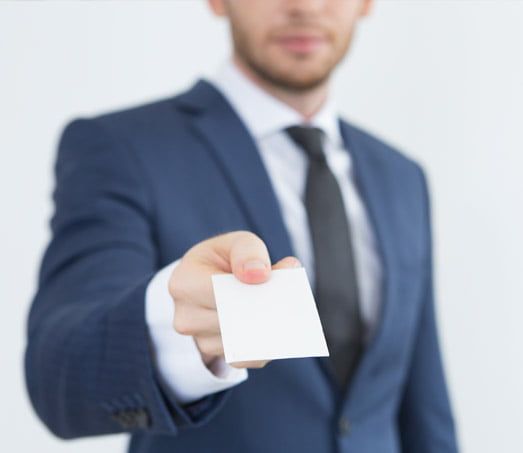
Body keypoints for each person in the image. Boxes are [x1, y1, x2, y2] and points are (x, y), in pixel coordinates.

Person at [25, 0, 459, 452]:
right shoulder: (120, 148)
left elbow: (423, 403)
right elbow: (58, 374)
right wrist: (176, 321)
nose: (305, 6)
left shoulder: (402, 177)